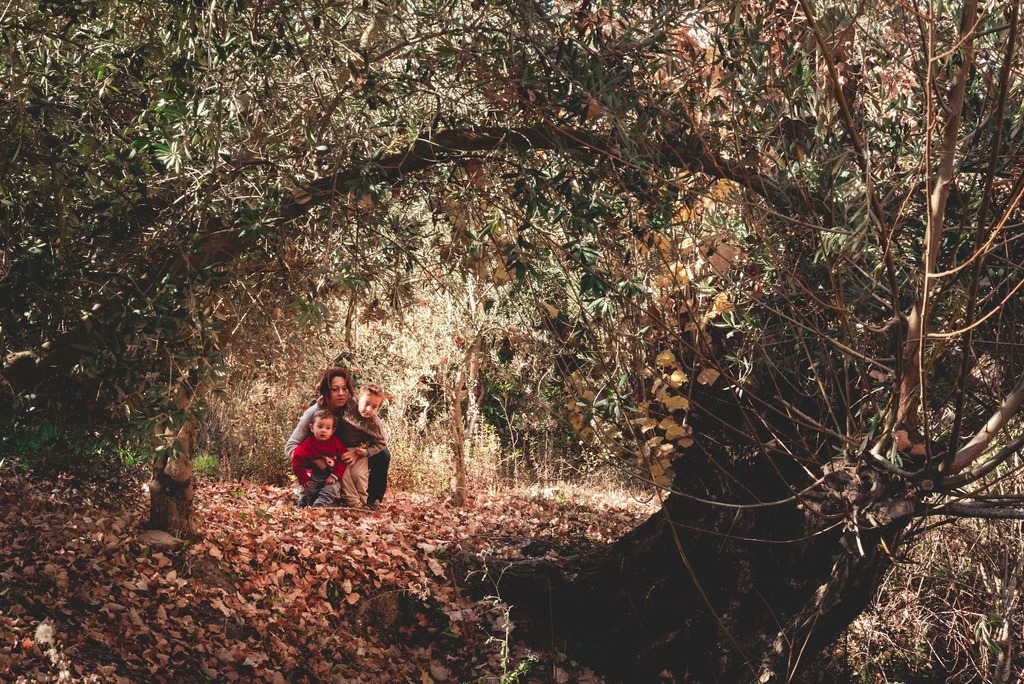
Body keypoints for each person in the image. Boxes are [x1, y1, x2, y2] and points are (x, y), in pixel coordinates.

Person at [285, 368, 393, 509]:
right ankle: (320, 495)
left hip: (349, 452)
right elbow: (290, 447)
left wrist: (359, 449)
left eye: (344, 388)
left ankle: (373, 501)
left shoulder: (355, 406)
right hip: (322, 459)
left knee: (383, 454)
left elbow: (378, 435)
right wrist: (316, 460)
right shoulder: (314, 413)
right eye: (335, 389)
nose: (341, 393)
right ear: (326, 391)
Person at [337, 382, 389, 509]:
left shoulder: (374, 423)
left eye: (374, 407)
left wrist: (366, 452)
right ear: (358, 399)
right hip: (339, 446)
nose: (369, 409)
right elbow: (335, 400)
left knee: (383, 455)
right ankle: (351, 500)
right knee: (344, 474)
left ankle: (372, 500)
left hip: (359, 449)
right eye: (366, 404)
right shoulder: (349, 404)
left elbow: (382, 441)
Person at [291, 409, 347, 507]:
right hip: (313, 475)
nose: (323, 430)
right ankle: (304, 503)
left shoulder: (336, 443)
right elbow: (297, 459)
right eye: (320, 427)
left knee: (331, 489)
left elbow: (343, 460)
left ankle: (319, 506)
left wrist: (335, 475)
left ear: (332, 431)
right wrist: (303, 477)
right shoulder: (308, 444)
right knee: (307, 489)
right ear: (312, 428)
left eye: (328, 428)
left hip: (331, 475)